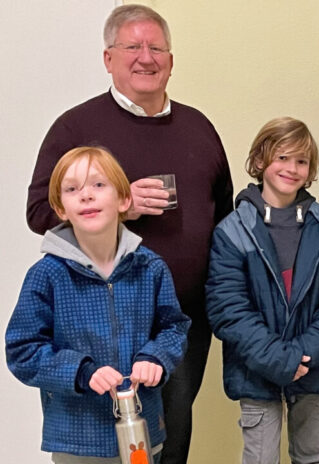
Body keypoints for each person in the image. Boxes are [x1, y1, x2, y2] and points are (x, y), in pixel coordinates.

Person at [24, 5, 234, 462]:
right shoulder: (76, 128)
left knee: (168, 442)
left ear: (171, 61)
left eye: (156, 47)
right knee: (99, 449)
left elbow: (225, 225)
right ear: (108, 59)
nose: (145, 57)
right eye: (132, 46)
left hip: (179, 325)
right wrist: (123, 208)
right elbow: (40, 210)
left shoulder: (199, 128)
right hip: (95, 327)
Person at [6, 147, 191, 463]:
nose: (86, 196)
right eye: (72, 189)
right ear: (60, 208)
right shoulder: (47, 275)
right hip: (77, 442)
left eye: (98, 185)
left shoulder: (151, 268)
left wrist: (155, 357)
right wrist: (81, 371)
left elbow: (174, 327)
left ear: (123, 200)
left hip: (143, 437)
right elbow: (22, 350)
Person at [205, 117, 319, 464]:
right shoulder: (232, 231)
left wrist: (301, 357)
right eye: (282, 158)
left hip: (314, 369)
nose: (292, 168)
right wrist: (279, 359)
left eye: (301, 161)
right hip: (257, 373)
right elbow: (228, 309)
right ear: (260, 161)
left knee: (313, 456)